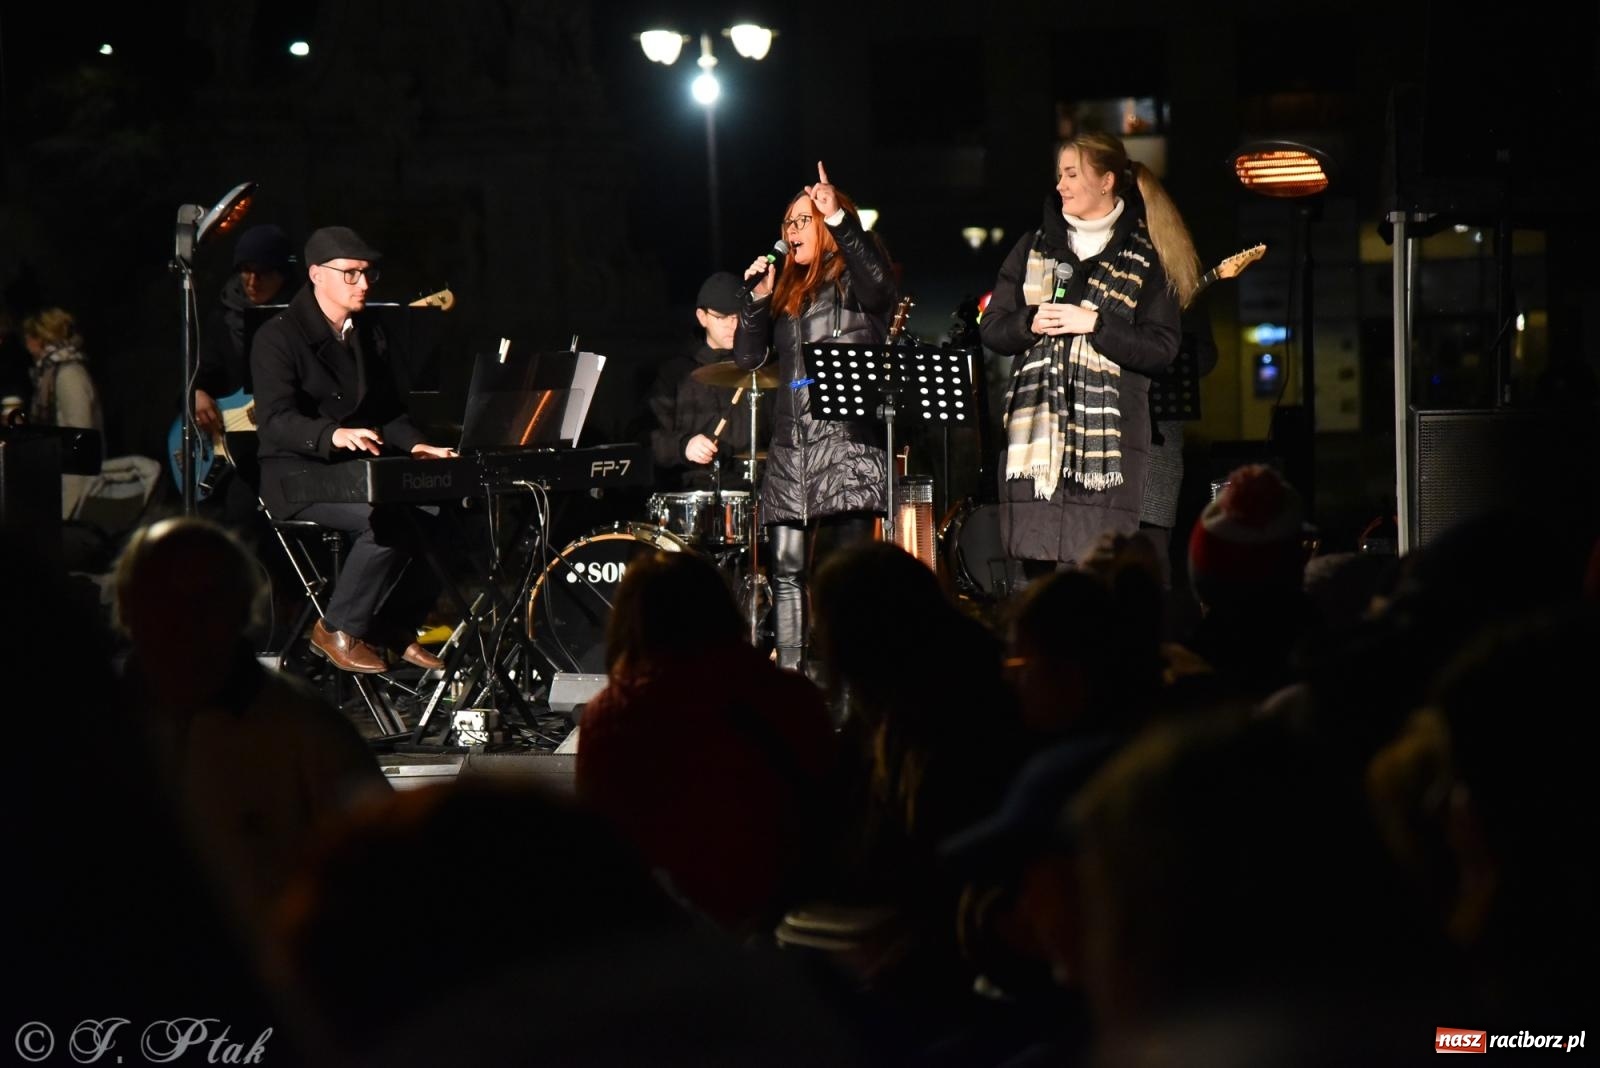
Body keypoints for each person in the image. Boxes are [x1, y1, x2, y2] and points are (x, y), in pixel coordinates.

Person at [112, 516, 390, 937]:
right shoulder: (85, 725)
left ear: (241, 609)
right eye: (164, 598)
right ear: (128, 608)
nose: (183, 620)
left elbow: (386, 869)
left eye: (204, 600)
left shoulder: (305, 729)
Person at [979, 132, 1201, 572]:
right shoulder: (1033, 247)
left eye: (1072, 174)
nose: (1060, 184)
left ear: (1106, 182)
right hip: (1037, 454)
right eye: (1059, 174)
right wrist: (1029, 321)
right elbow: (993, 328)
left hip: (1107, 455)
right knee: (1039, 589)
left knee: (1098, 584)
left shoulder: (1147, 257)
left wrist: (1097, 324)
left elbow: (1161, 349)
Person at [251, 225, 454, 674]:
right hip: (295, 478)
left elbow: (387, 412)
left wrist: (420, 445)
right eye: (352, 274)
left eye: (367, 274)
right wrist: (332, 435)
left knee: (443, 511)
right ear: (317, 275)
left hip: (351, 472)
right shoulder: (277, 337)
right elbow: (276, 420)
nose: (363, 284)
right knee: (385, 517)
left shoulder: (366, 333)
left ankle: (392, 626)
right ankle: (336, 628)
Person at [734, 161, 896, 672]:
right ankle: (792, 684)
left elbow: (880, 287)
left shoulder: (852, 278)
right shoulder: (784, 291)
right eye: (788, 223)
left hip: (844, 444)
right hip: (790, 446)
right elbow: (747, 358)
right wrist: (758, 302)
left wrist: (843, 221)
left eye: (803, 220)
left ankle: (848, 692)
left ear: (827, 225)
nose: (792, 231)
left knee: (845, 577)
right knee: (784, 572)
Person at [193, 223, 303, 525]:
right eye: (246, 270)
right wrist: (197, 393)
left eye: (264, 273)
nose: (252, 281)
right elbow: (205, 373)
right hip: (234, 448)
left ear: (283, 274)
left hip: (286, 448)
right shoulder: (223, 316)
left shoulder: (304, 318)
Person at [646, 270, 770, 492]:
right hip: (694, 491)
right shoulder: (676, 373)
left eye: (738, 316)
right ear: (702, 317)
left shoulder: (761, 369)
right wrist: (683, 446)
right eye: (722, 317)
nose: (732, 325)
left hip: (752, 491)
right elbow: (644, 437)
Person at [20, 306, 103, 516]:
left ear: (40, 338)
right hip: (58, 476)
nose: (26, 343)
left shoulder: (68, 374)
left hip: (73, 483)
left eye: (29, 336)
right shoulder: (48, 373)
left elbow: (81, 437)